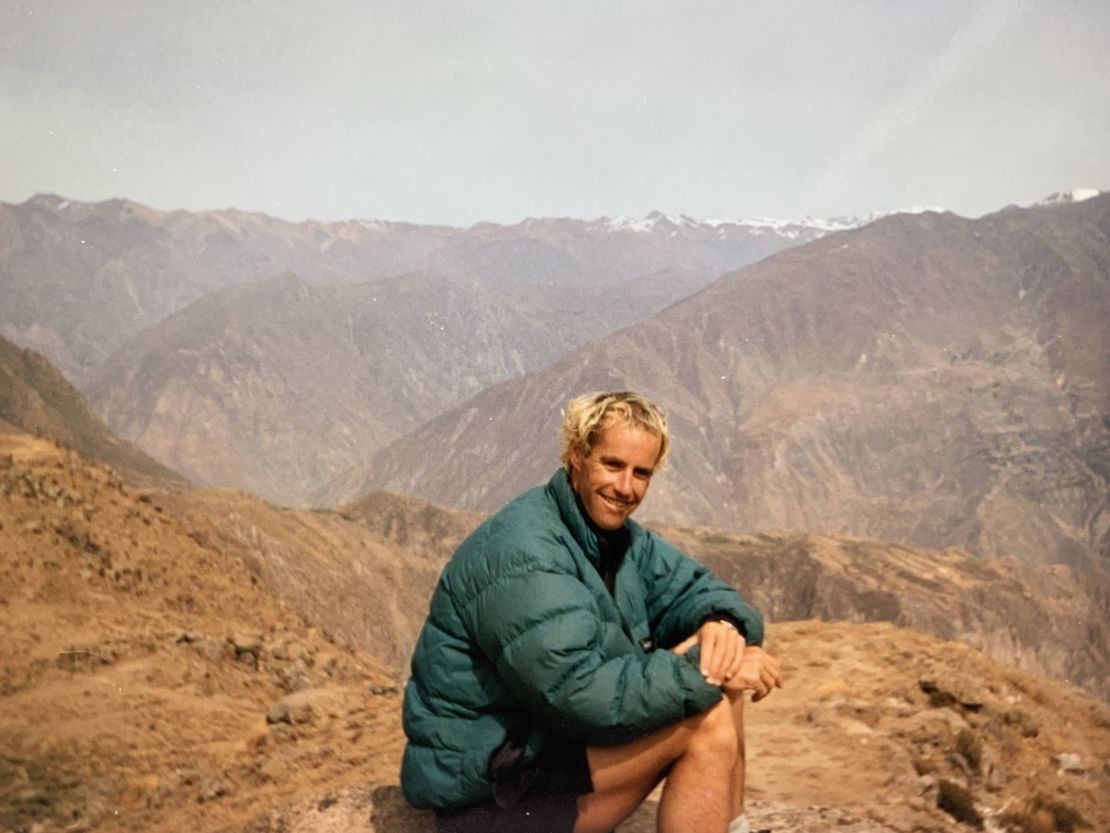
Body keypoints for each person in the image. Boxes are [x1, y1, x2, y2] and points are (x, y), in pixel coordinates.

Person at [401, 391, 782, 833]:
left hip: (540, 752)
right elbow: (580, 695)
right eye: (613, 465)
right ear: (576, 455)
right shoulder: (524, 551)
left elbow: (702, 591)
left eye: (641, 473)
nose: (626, 487)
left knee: (719, 659)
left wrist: (723, 627)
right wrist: (705, 672)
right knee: (706, 714)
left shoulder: (615, 540)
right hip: (490, 795)